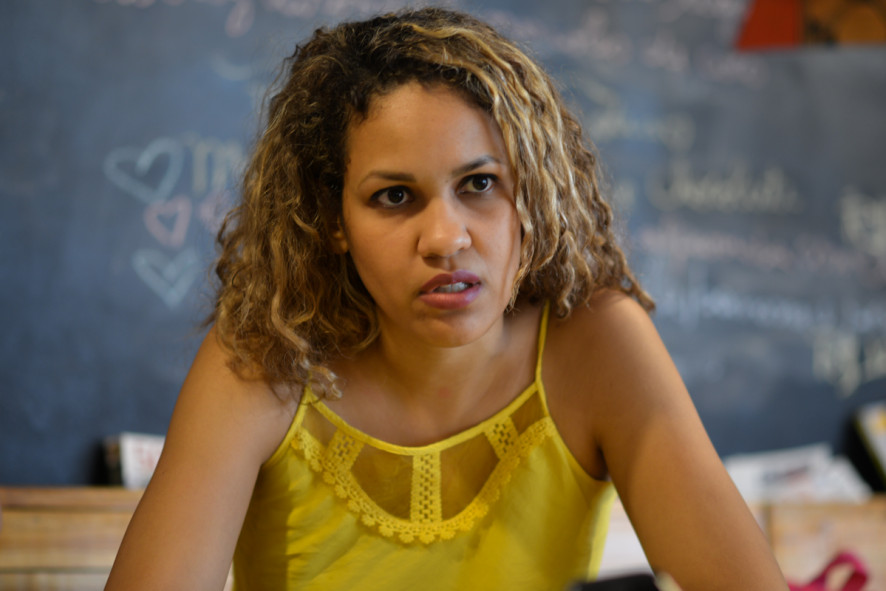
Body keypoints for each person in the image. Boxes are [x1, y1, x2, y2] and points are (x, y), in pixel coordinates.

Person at [106, 7, 788, 591]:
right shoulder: (263, 358)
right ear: (332, 220)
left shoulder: (598, 343)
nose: (445, 238)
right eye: (394, 196)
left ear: (531, 193)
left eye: (480, 184)